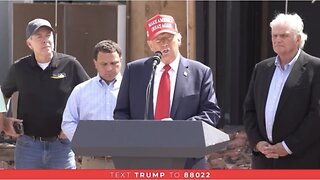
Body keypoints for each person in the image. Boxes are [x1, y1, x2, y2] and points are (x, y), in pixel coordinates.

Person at [113, 14, 221, 169]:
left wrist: (178, 128)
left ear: (179, 39)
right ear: (150, 45)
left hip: (186, 159)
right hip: (143, 159)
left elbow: (211, 113)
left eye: (169, 38)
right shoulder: (135, 70)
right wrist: (135, 137)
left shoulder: (200, 72)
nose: (165, 44)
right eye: (159, 40)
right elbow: (121, 113)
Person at [1, 18, 90, 169]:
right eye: (39, 36)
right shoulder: (19, 68)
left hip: (62, 146)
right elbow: (2, 94)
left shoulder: (70, 64)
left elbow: (89, 95)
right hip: (28, 146)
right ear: (29, 43)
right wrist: (3, 122)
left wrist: (76, 124)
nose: (45, 40)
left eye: (48, 35)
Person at [243, 13, 320, 169]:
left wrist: (287, 146)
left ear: (298, 39)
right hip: (263, 161)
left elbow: (316, 115)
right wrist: (257, 142)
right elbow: (249, 110)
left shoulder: (315, 68)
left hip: (300, 161)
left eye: (283, 36)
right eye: (274, 35)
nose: (277, 40)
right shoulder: (262, 69)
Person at [61, 40, 122, 169]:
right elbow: (68, 122)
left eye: (114, 63)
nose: (109, 68)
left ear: (120, 60)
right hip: (93, 161)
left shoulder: (133, 89)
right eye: (104, 64)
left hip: (125, 161)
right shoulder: (81, 90)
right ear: (95, 63)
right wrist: (87, 140)